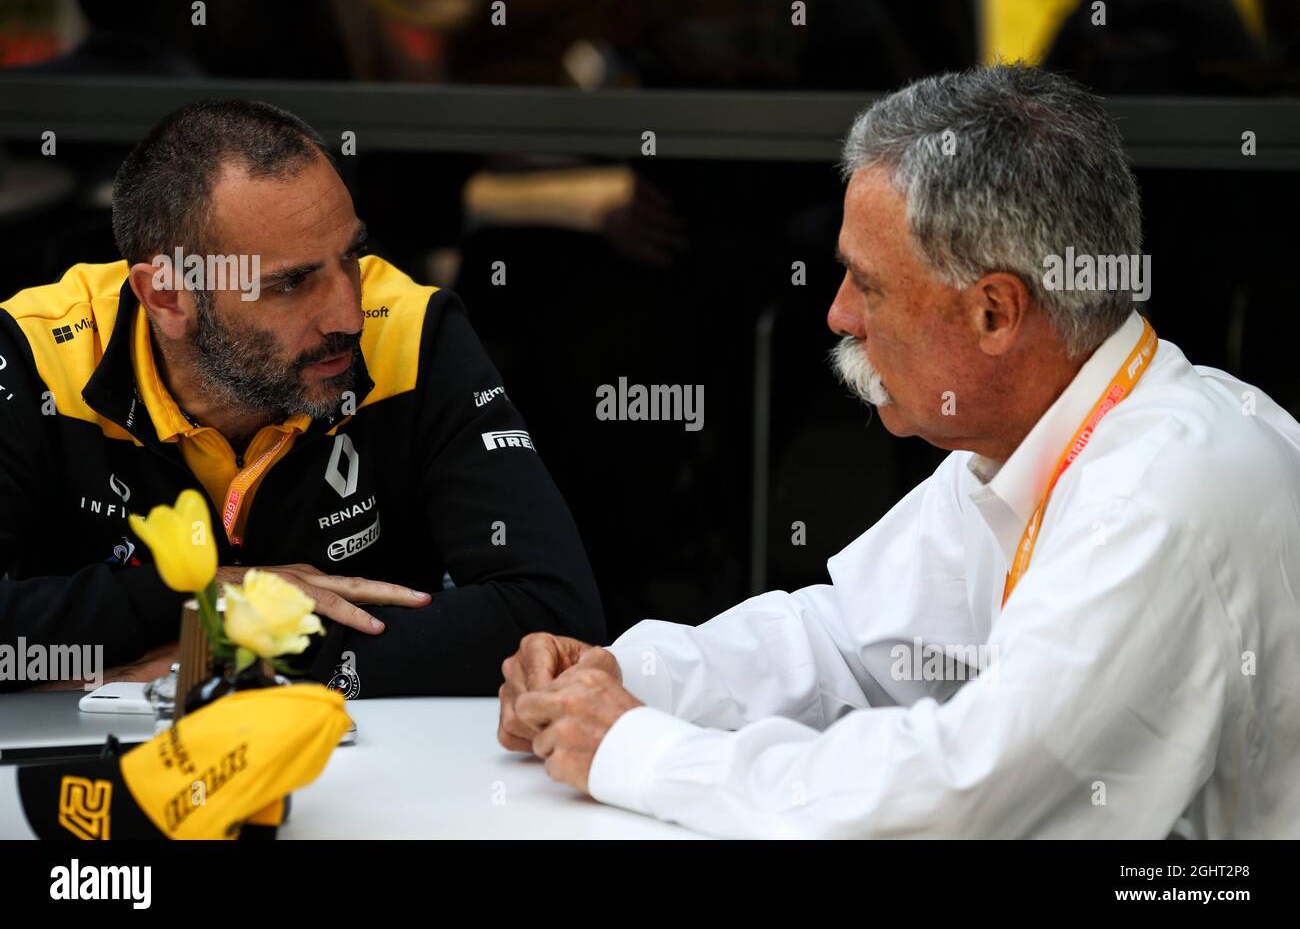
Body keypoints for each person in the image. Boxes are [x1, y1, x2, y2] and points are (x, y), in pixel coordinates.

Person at [496, 64, 1300, 838]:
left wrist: (636, 748)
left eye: (868, 284)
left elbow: (960, 803)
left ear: (995, 313)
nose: (839, 315)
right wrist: (616, 677)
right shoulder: (1050, 432)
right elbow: (851, 644)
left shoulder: (1157, 498)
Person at [0, 100, 603, 694]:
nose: (348, 313)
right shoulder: (37, 355)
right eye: (290, 283)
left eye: (351, 258)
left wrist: (230, 651)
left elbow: (554, 620)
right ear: (166, 299)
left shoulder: (411, 330)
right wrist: (203, 592)